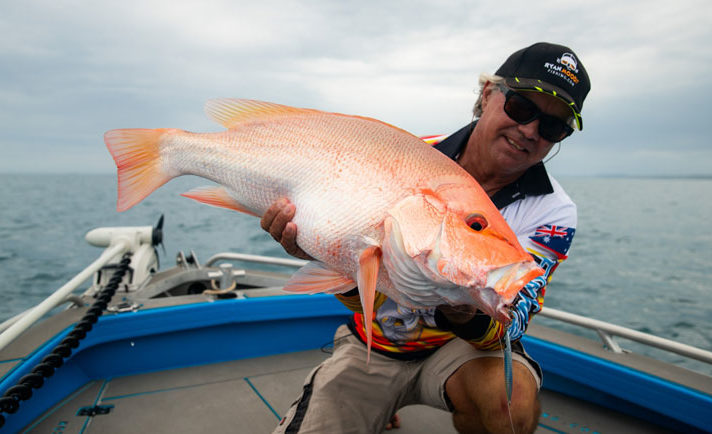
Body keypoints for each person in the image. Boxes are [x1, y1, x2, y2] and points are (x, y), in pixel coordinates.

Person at [263, 42, 591, 433]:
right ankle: (376, 401)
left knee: (510, 407)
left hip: (464, 352)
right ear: (488, 95)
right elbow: (362, 273)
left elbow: (515, 319)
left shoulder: (554, 211)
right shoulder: (407, 158)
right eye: (522, 107)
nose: (530, 131)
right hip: (376, 344)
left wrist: (464, 311)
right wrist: (323, 252)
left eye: (554, 126)